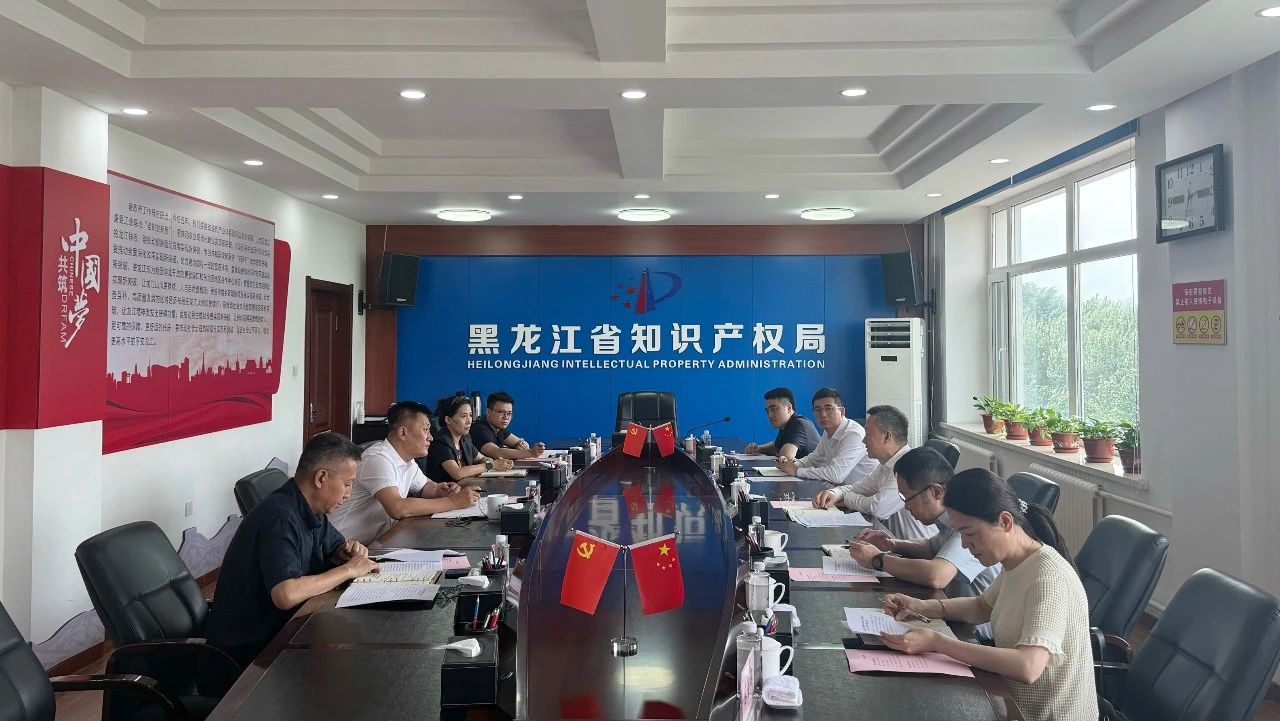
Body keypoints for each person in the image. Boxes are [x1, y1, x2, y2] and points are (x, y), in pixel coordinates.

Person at [880, 469, 1096, 721]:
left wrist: (938, 642)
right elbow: (982, 607)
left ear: (1005, 522)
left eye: (969, 533)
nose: (964, 544)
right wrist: (921, 606)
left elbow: (1028, 666)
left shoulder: (1047, 577)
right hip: (1008, 702)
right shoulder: (1018, 562)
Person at [207, 432, 379, 666]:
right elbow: (286, 595)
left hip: (285, 630)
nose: (348, 494)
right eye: (347, 484)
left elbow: (334, 547)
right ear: (321, 478)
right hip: (249, 654)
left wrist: (346, 552)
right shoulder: (280, 517)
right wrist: (349, 570)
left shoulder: (310, 507)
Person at [847, 447, 999, 593]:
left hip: (968, 611)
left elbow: (937, 575)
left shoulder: (967, 522)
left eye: (908, 498)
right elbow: (931, 547)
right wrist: (891, 544)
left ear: (936, 492)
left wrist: (878, 559)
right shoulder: (947, 517)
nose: (906, 506)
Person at [329, 401, 482, 543]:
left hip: (378, 542)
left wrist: (441, 490)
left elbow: (425, 487)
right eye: (426, 430)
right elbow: (397, 508)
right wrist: (454, 502)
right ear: (403, 432)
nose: (430, 437)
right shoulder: (377, 458)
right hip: (342, 549)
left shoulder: (407, 461)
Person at [810, 405, 933, 540]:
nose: (863, 440)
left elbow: (878, 508)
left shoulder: (908, 465)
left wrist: (848, 500)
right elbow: (859, 487)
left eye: (868, 434)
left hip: (917, 549)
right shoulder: (886, 465)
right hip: (894, 542)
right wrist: (835, 493)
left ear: (887, 437)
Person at [776, 387, 877, 486]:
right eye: (818, 410)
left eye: (828, 408)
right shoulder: (828, 431)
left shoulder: (853, 434)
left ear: (842, 412)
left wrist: (797, 471)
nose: (823, 414)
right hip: (839, 490)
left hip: (862, 494)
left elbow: (836, 475)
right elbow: (814, 459)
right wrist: (790, 465)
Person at [422, 394, 515, 484]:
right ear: (448, 420)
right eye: (463, 416)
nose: (469, 421)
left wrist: (491, 462)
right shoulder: (441, 442)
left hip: (464, 488)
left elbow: (481, 458)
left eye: (470, 415)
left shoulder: (465, 438)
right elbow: (457, 473)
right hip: (444, 492)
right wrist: (490, 465)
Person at [744, 387, 819, 459]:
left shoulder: (799, 424)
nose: (770, 415)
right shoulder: (786, 425)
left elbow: (785, 457)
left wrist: (780, 453)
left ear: (789, 408)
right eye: (767, 411)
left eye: (773, 409)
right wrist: (759, 448)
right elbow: (776, 445)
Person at [471, 391, 545, 461]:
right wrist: (531, 453)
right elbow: (498, 453)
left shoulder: (499, 428)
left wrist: (520, 445)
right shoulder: (479, 430)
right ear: (488, 412)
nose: (506, 417)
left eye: (509, 413)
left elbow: (520, 441)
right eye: (501, 412)